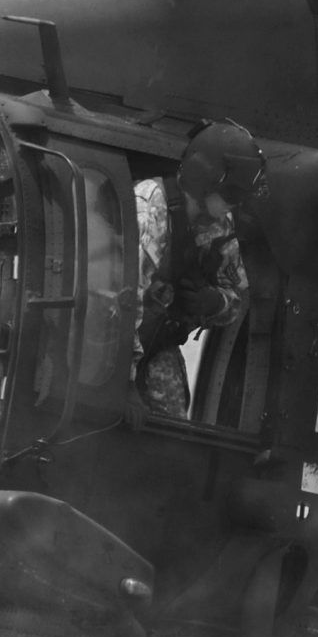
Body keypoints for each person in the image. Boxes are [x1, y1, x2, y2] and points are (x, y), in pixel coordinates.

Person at [134, 120, 262, 419]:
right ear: (207, 180)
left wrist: (215, 302)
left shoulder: (219, 227)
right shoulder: (150, 208)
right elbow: (123, 298)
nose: (233, 206)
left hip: (157, 346)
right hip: (112, 345)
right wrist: (127, 383)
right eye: (230, 195)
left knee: (173, 424)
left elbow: (236, 298)